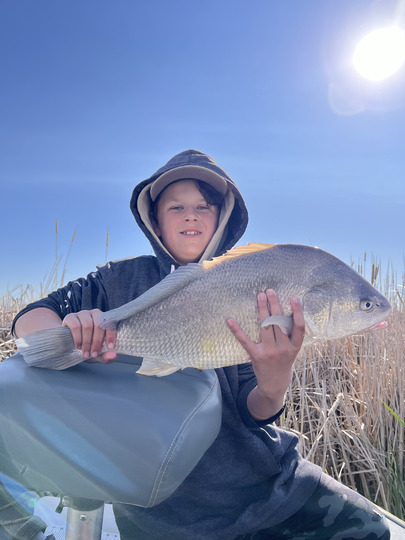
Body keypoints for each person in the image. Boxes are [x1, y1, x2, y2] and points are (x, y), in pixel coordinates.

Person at [12, 150, 390, 539]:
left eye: (204, 206)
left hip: (271, 488)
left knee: (374, 531)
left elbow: (255, 411)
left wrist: (274, 379)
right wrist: (72, 329)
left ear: (222, 218)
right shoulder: (117, 281)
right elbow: (31, 317)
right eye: (176, 207)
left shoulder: (254, 281)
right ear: (153, 220)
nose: (190, 215)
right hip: (157, 508)